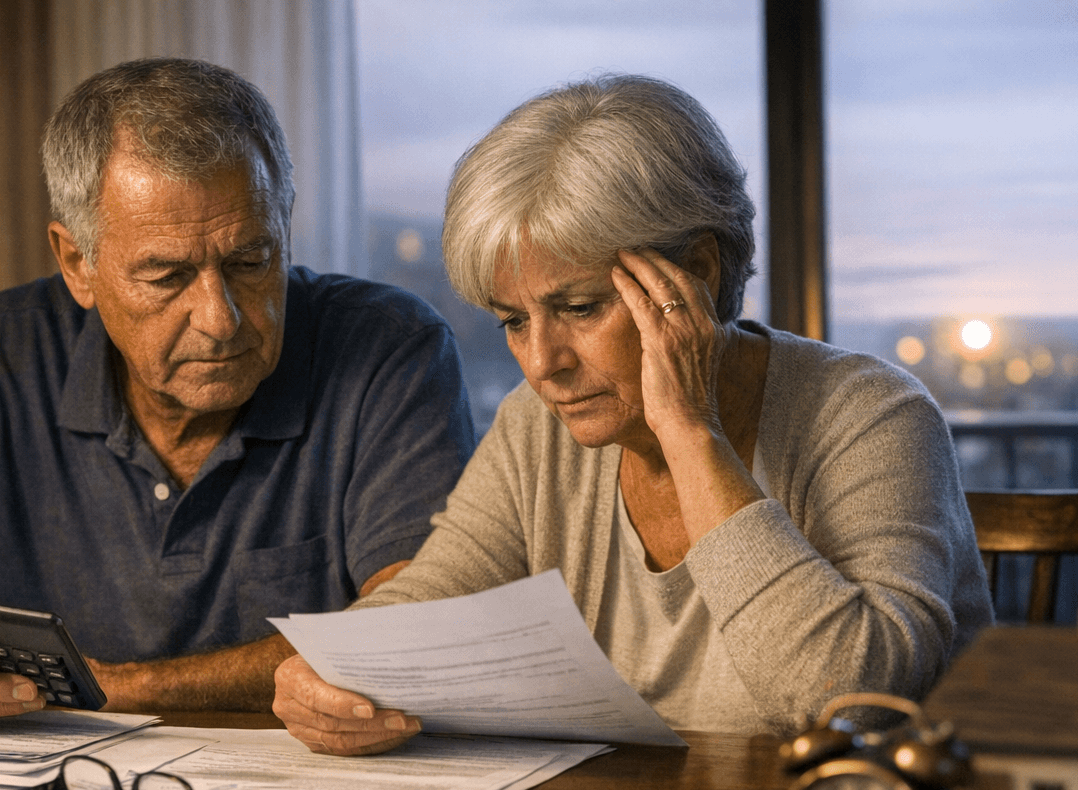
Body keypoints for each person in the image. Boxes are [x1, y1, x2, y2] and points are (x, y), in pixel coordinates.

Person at [272, 74, 993, 755]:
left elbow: (849, 704)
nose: (541, 362)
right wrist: (328, 669)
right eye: (513, 322)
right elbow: (433, 598)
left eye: (579, 308)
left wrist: (688, 431)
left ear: (700, 274)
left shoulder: (871, 414)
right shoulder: (538, 426)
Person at [0, 58, 475, 733]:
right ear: (77, 263)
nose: (220, 317)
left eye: (250, 260)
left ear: (285, 222)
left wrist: (113, 689)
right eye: (168, 276)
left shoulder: (391, 346)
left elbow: (414, 629)